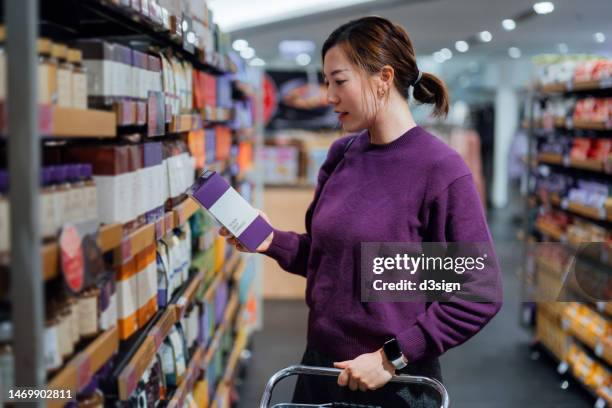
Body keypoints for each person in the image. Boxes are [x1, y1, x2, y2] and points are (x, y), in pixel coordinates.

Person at [221, 15, 502, 407]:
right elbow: (335, 261)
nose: (328, 95)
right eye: (326, 82)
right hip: (319, 367)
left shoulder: (439, 169)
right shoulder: (342, 155)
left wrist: (391, 358)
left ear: (383, 77)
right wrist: (272, 241)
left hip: (395, 384)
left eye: (339, 81)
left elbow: (478, 293)